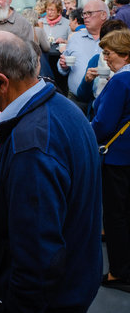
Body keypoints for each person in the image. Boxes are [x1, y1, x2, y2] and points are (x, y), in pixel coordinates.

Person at [0, 31, 102, 312]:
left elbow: (38, 256)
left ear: (1, 82)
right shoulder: (62, 108)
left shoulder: (31, 143)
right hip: (72, 285)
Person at [92, 29, 130, 292]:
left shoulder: (120, 82)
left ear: (125, 55)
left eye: (109, 53)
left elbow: (104, 123)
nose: (105, 59)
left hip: (117, 157)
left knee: (116, 216)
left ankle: (120, 271)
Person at [59, 0, 109, 112]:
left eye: (89, 13)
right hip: (76, 101)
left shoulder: (114, 39)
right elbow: (62, 65)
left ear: (103, 15)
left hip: (106, 102)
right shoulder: (75, 38)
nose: (85, 17)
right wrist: (62, 65)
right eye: (84, 14)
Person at [76, 19, 127, 118]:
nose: (105, 57)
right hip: (96, 114)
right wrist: (87, 81)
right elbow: (82, 96)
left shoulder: (125, 68)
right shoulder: (96, 60)